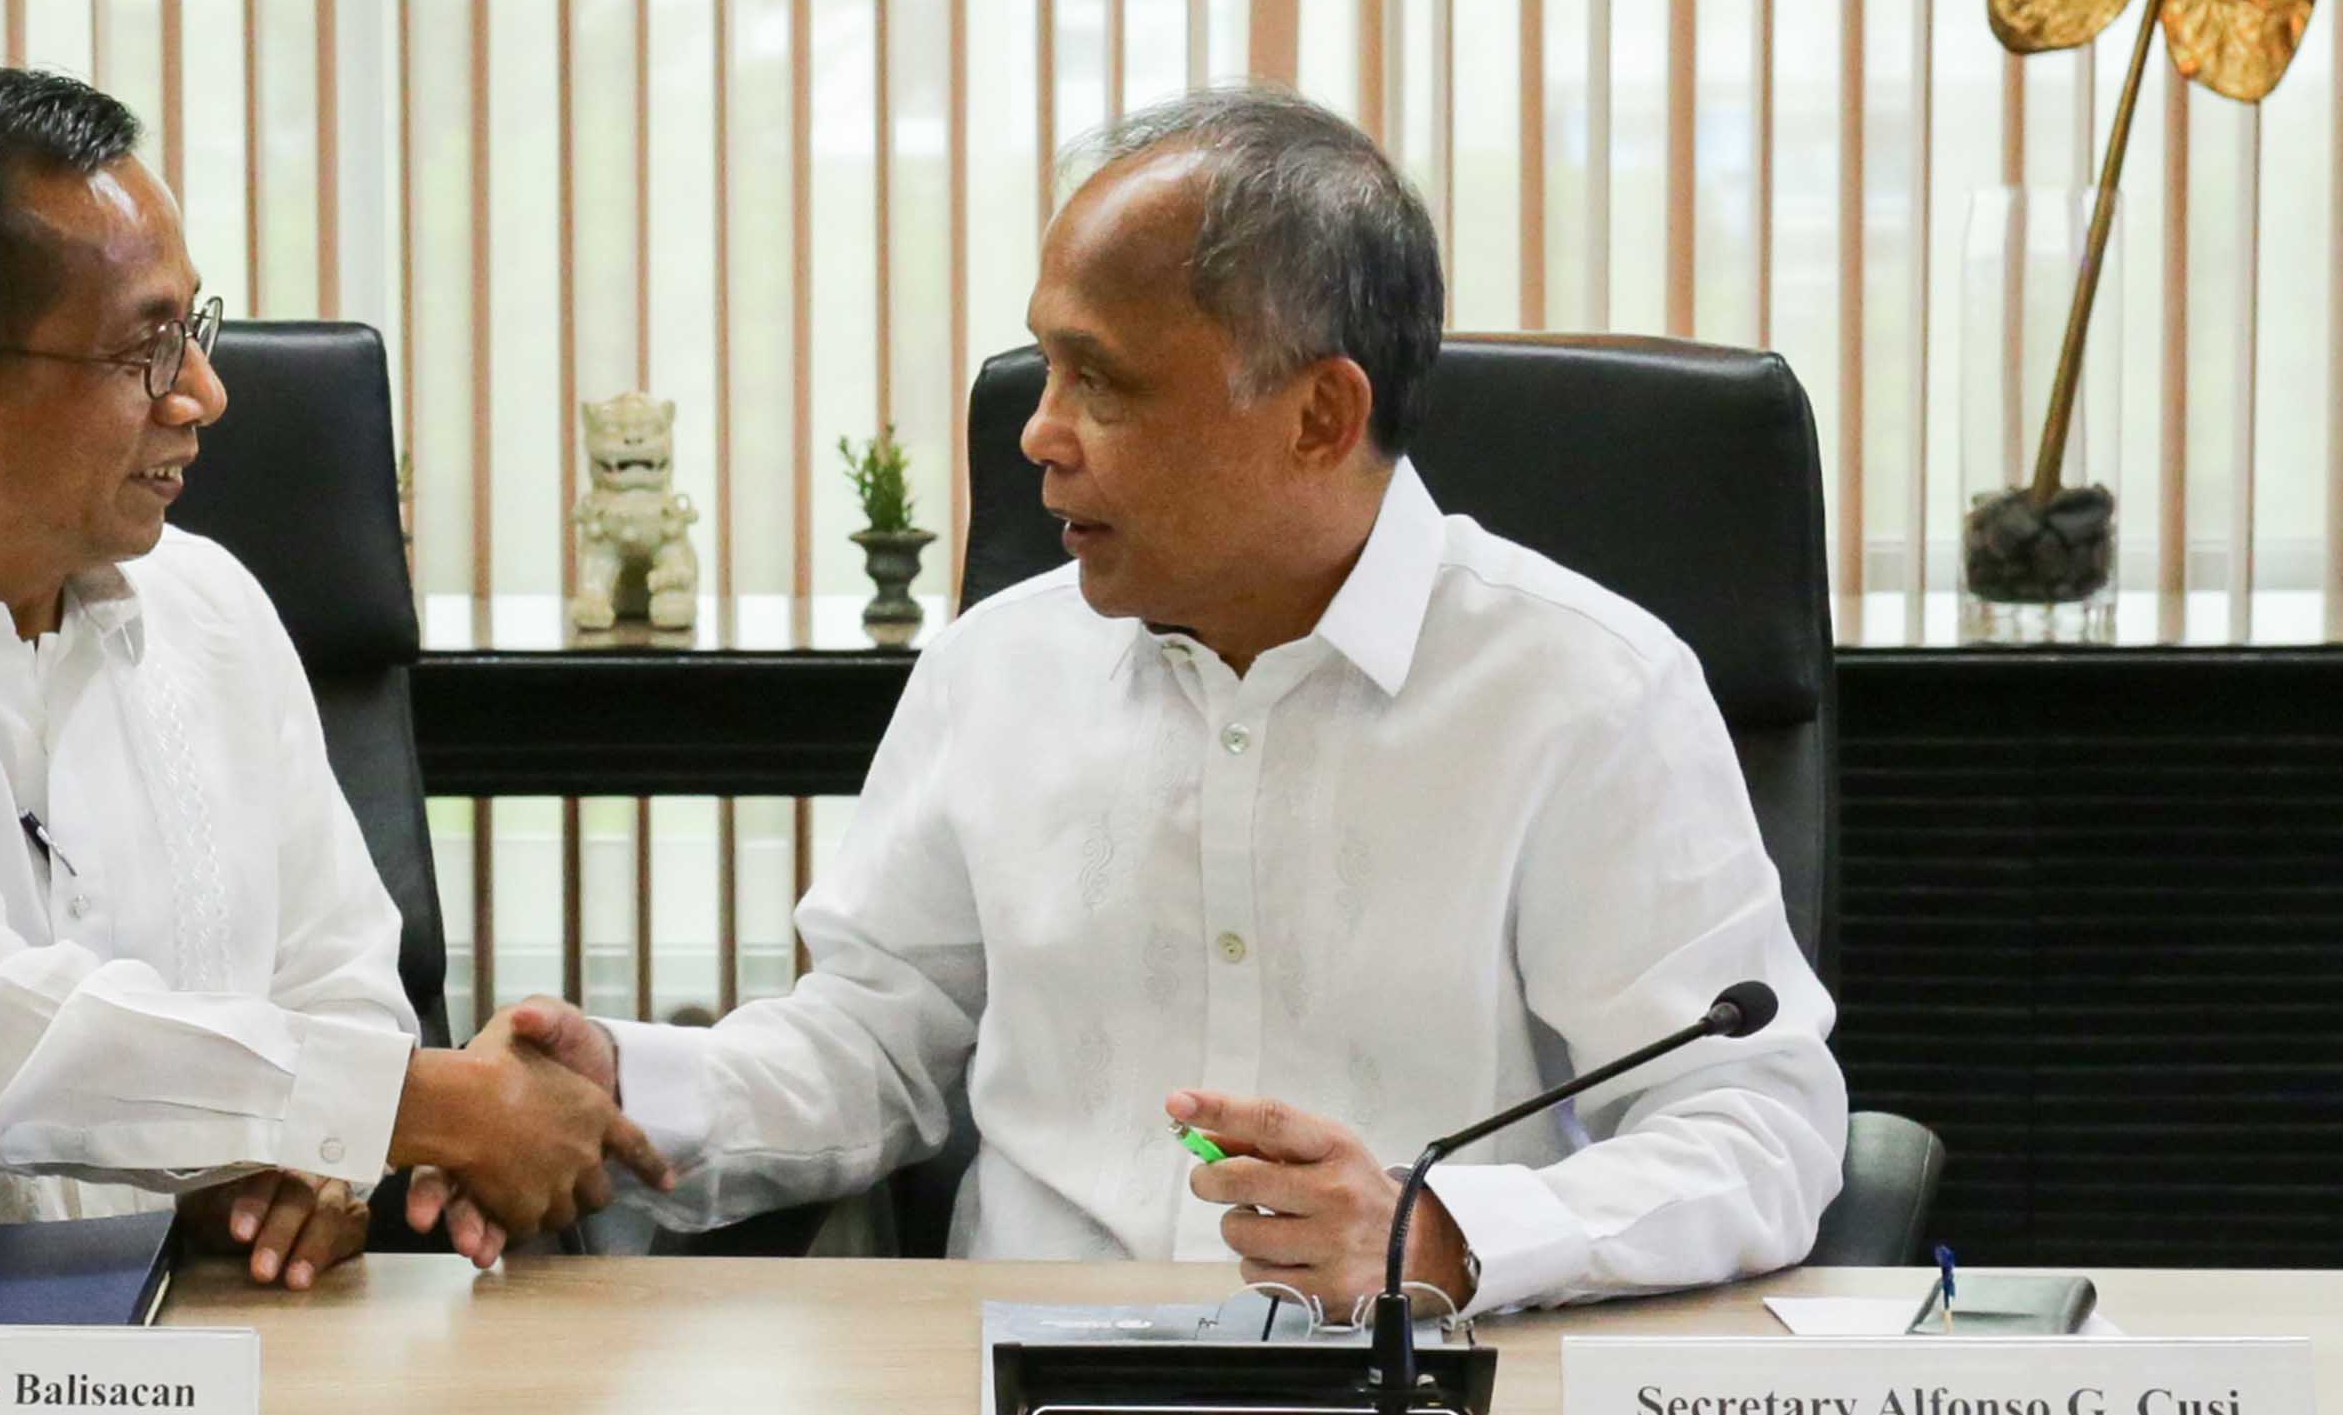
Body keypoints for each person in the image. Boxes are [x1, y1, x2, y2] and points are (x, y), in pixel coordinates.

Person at [516, 83, 1844, 1315]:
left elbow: (1755, 1120)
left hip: (1416, 1405)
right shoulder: (998, 669)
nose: (1041, 432)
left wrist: (1442, 1234)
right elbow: (872, 1048)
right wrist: (628, 1086)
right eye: (1047, 369)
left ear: (1320, 416)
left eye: (1103, 381)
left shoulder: (1583, 695)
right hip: (1015, 1406)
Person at [0, 65, 662, 1280]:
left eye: (195, 330)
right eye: (143, 353)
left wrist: (324, 1165)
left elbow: (341, 974)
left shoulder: (213, 607)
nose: (205, 396)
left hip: (221, 1350)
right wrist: (429, 1106)